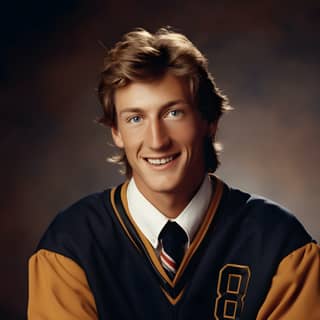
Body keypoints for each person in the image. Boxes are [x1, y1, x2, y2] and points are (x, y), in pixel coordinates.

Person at [28, 27, 320, 319]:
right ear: (116, 131)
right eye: (135, 118)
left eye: (173, 113)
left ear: (209, 120)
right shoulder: (70, 245)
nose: (157, 140)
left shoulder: (281, 244)